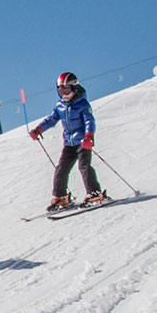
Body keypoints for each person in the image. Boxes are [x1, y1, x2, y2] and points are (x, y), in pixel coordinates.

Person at [28, 72, 106, 212]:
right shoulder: (60, 106)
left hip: (83, 142)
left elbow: (89, 121)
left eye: (67, 90)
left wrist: (89, 136)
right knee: (61, 169)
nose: (64, 93)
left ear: (74, 88)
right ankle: (60, 196)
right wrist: (38, 129)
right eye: (61, 90)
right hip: (69, 144)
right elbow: (51, 120)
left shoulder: (82, 104)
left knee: (84, 166)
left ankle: (94, 193)